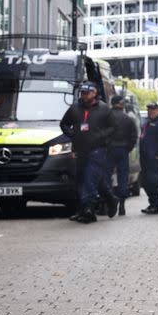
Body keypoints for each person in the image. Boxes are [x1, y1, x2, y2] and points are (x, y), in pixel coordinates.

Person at [59, 82, 117, 224]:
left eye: (87, 92)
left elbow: (113, 127)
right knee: (84, 178)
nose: (84, 95)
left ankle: (88, 209)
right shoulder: (74, 109)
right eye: (82, 93)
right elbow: (64, 124)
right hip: (80, 149)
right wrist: (73, 135)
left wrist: (102, 136)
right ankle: (110, 198)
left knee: (90, 178)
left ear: (94, 92)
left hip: (97, 149)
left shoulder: (104, 109)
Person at [107, 95, 138, 215]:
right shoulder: (128, 119)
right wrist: (128, 148)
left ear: (112, 103)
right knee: (123, 178)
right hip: (123, 151)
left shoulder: (107, 118)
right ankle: (122, 206)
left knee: (106, 176)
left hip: (109, 151)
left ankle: (109, 202)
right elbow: (134, 136)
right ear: (121, 104)